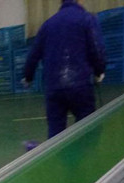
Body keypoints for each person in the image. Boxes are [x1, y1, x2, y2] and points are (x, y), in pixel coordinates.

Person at [23, 0, 106, 139]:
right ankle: (83, 151)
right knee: (87, 130)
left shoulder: (48, 25)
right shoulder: (87, 19)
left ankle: (56, 152)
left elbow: (34, 54)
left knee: (55, 134)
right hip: (80, 85)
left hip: (54, 87)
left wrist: (28, 76)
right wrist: (99, 71)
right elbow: (96, 49)